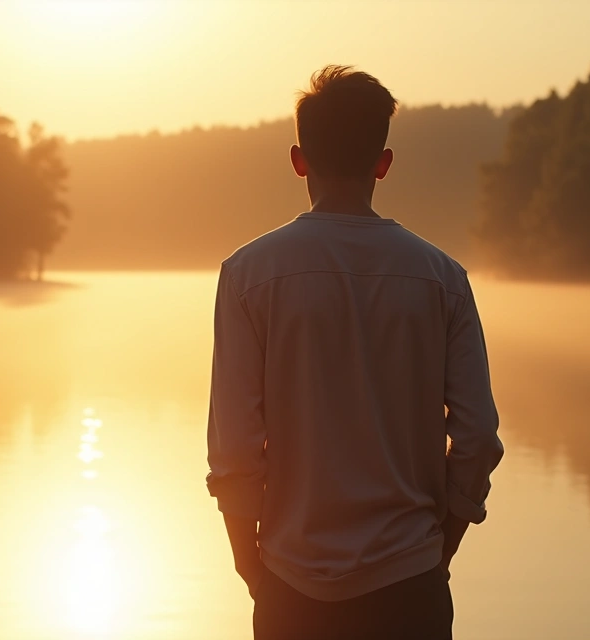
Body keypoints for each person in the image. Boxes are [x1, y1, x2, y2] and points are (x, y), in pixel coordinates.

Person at [205, 65, 504, 640]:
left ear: (298, 159)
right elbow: (475, 440)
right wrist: (438, 550)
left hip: (291, 588)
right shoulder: (443, 278)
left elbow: (235, 448)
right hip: (410, 586)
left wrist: (251, 565)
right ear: (383, 163)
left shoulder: (248, 275)